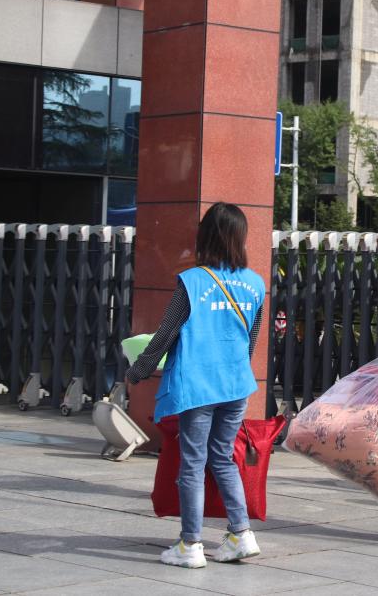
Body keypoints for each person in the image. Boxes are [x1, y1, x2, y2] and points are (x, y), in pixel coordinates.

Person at [127, 203, 265, 569]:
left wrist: (139, 370)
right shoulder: (255, 284)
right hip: (235, 384)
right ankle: (241, 534)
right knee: (223, 458)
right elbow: (251, 339)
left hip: (199, 385)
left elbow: (166, 334)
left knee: (192, 463)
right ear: (240, 237)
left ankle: (190, 544)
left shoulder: (192, 281)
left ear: (206, 236)